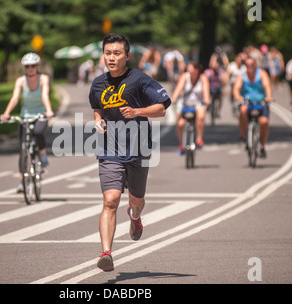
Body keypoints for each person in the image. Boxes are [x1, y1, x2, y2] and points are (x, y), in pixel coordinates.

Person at [89, 33, 171, 272]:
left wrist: (137, 112)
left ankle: (135, 216)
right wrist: (98, 120)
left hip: (137, 148)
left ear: (127, 55)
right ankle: (106, 253)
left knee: (136, 199)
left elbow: (162, 109)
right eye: (107, 53)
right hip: (109, 148)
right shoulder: (98, 84)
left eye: (116, 53)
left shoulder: (139, 79)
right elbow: (97, 107)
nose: (111, 58)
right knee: (110, 200)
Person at [0, 53, 54, 193]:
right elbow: (15, 98)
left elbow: (44, 95)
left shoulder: (43, 79)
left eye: (33, 66)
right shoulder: (20, 81)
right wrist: (6, 113)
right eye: (27, 66)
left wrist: (48, 110)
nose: (30, 69)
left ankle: (42, 154)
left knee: (37, 132)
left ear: (37, 66)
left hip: (40, 114)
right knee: (23, 150)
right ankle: (22, 183)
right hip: (25, 116)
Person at [233, 57, 273, 158]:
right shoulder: (242, 76)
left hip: (260, 102)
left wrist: (268, 97)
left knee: (264, 122)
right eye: (247, 65)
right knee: (243, 110)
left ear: (255, 65)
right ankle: (242, 135)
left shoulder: (262, 74)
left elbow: (267, 86)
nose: (250, 67)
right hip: (248, 102)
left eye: (252, 64)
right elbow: (236, 89)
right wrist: (238, 97)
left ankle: (262, 145)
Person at [171, 61, 210, 154]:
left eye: (191, 69)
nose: (189, 71)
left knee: (201, 116)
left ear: (197, 70)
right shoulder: (185, 76)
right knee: (180, 123)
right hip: (185, 103)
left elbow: (206, 90)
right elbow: (178, 89)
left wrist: (207, 99)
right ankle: (181, 144)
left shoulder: (203, 77)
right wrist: (173, 99)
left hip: (198, 103)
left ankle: (199, 138)